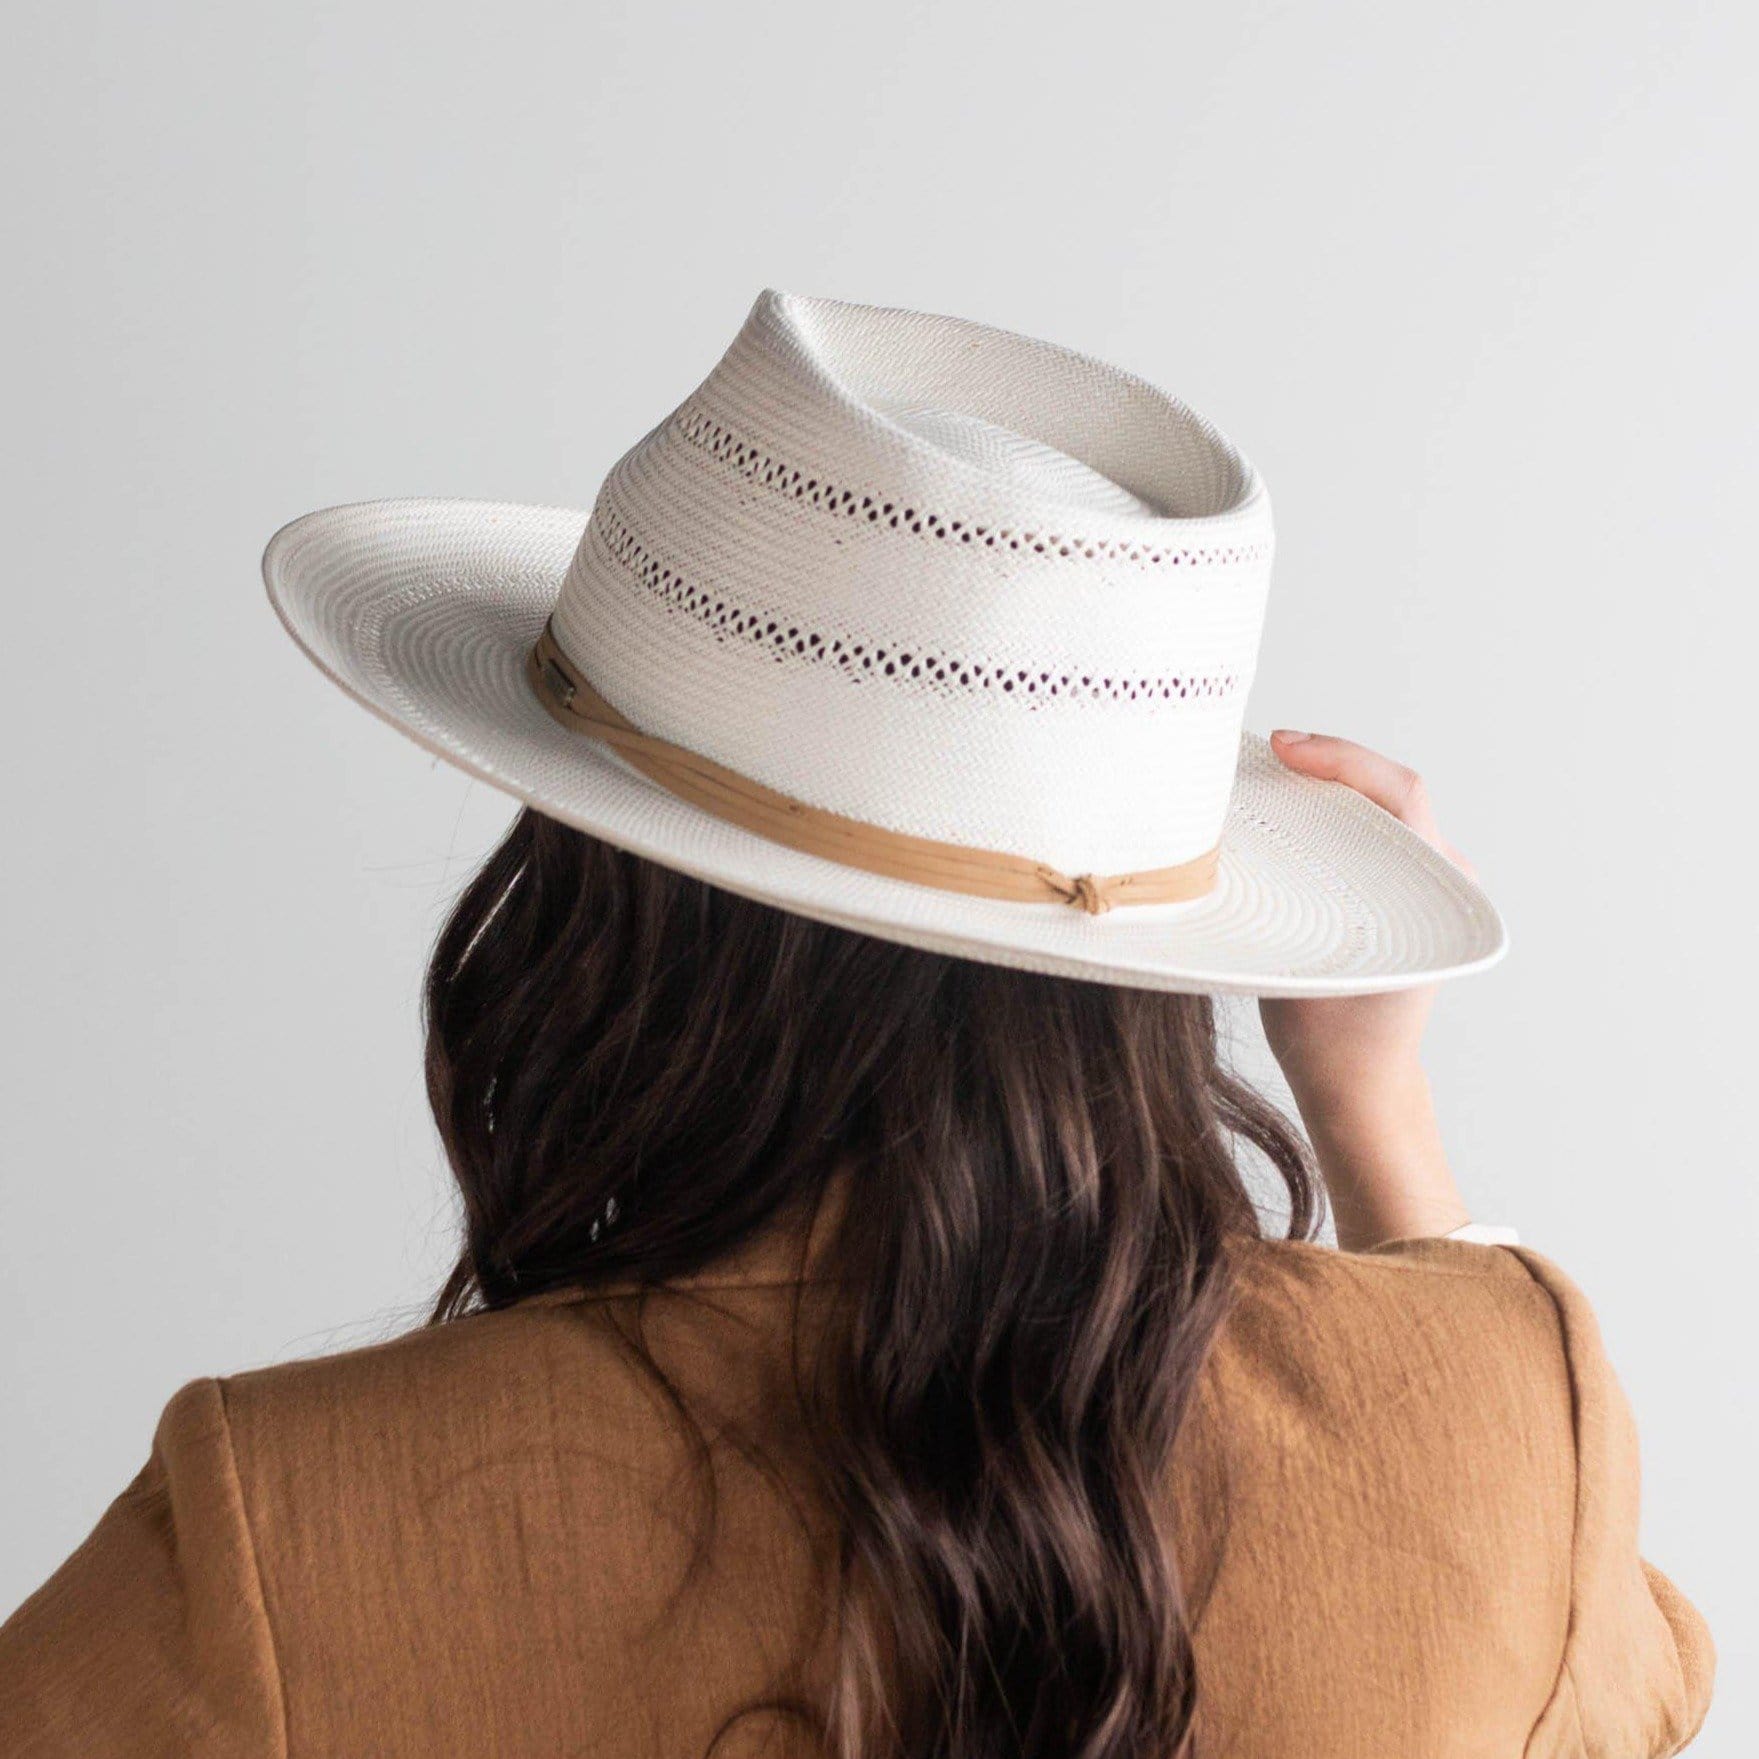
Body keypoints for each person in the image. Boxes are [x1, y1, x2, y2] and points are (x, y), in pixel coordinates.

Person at [0, 294, 1713, 1756]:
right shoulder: (1496, 1433)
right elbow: (1608, 1690)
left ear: (594, 913)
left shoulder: (278, 1526)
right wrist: (1380, 1113)